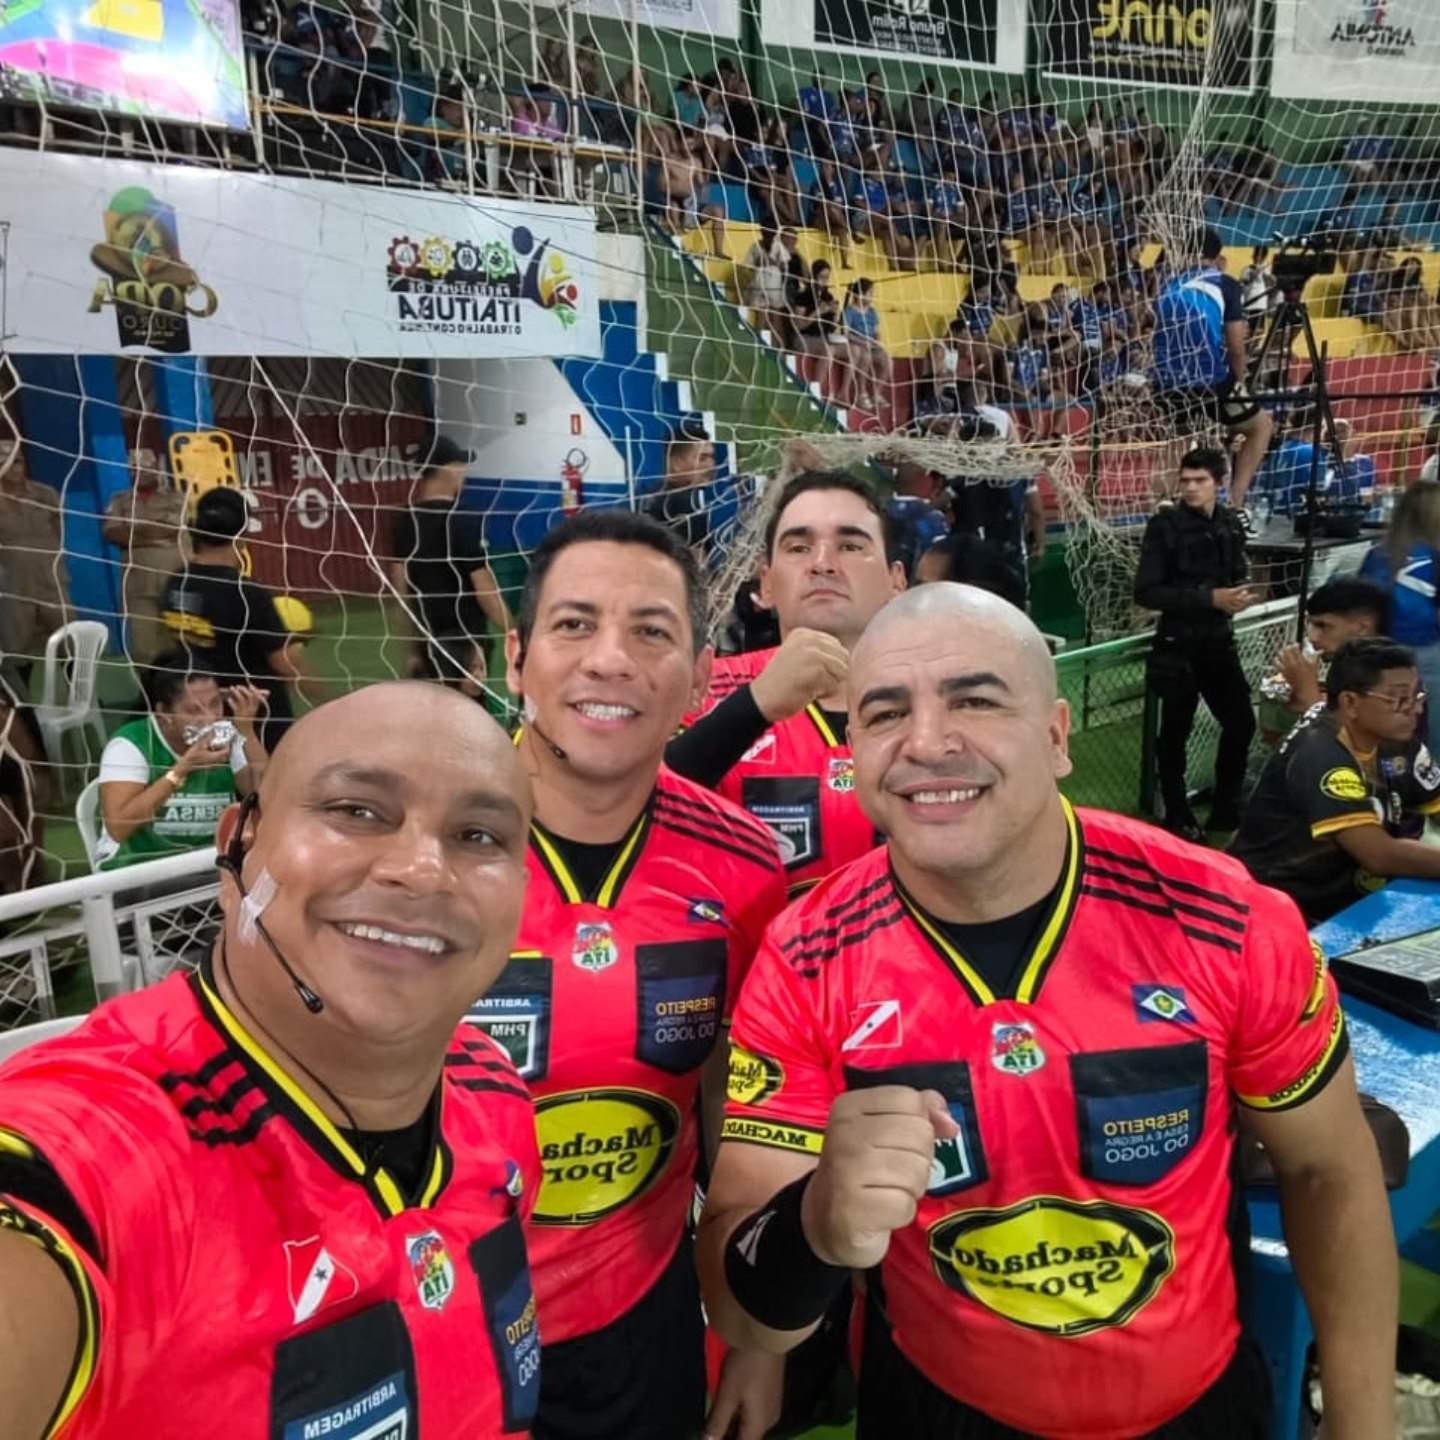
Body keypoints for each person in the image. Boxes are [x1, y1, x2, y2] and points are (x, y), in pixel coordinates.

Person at [696, 583, 1397, 1440]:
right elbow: (741, 1311)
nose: (926, 742)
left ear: (1058, 737)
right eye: (885, 713)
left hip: (1200, 1407)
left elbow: (1329, 1173)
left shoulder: (1228, 920)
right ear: (856, 751)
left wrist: (1362, 1422)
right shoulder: (806, 956)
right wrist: (812, 1223)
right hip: (933, 1409)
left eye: (975, 700)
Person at [0, 683, 546, 1439]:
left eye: (480, 835)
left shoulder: (495, 1094)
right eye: (357, 811)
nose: (423, 870)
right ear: (239, 844)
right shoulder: (111, 1147)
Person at [469, 509, 787, 1440]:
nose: (610, 660)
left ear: (700, 678)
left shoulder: (744, 865)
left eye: (651, 631)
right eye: (575, 624)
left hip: (641, 1326)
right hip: (440, 1332)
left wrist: (757, 1338)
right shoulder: (422, 849)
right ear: (516, 657)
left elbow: (739, 1104)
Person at [666, 470, 905, 897]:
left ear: (896, 582)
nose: (822, 563)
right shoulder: (703, 690)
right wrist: (753, 708)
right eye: (798, 547)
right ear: (767, 584)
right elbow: (630, 805)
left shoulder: (942, 697)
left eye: (851, 546)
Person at [1231, 637, 1440, 921]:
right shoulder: (1320, 755)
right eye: (1400, 699)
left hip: (1346, 901)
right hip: (1280, 911)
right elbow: (1378, 855)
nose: (1416, 709)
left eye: (1418, 696)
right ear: (1350, 702)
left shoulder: (1397, 741)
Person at [1134, 447, 1257, 840]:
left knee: (1241, 722)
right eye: (1185, 480)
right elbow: (1147, 591)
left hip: (1218, 641)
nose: (1190, 488)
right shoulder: (1165, 526)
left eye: (1200, 480)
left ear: (1218, 483)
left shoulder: (1230, 523)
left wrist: (1235, 597)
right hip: (1178, 645)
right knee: (1175, 732)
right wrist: (1210, 599)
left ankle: (1226, 807)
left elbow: (1236, 573)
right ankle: (1176, 812)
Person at [159, 487, 319, 754]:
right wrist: (326, 697)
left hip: (204, 710)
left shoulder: (176, 583)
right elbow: (285, 662)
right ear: (242, 535)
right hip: (256, 715)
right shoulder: (246, 593)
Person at [95, 654, 269, 870]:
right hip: (141, 866)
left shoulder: (226, 737)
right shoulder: (130, 745)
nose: (210, 718)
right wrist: (184, 768)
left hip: (209, 863)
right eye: (194, 710)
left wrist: (246, 731)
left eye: (215, 704)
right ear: (164, 713)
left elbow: (267, 796)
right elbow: (119, 828)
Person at [1152, 228, 1274, 520]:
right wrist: (1241, 381)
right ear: (1218, 256)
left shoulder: (1170, 286)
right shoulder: (1225, 284)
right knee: (1261, 427)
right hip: (1211, 379)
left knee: (1177, 442)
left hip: (1167, 382)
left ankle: (1160, 509)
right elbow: (1236, 346)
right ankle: (1235, 504)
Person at [389, 435, 509, 696]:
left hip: (427, 641)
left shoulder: (405, 521)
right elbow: (485, 588)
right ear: (447, 469)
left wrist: (412, 648)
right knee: (468, 714)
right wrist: (514, 631)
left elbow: (400, 590)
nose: (463, 472)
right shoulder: (463, 518)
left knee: (433, 712)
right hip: (467, 645)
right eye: (460, 465)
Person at [1360, 478, 1440, 752]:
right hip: (1427, 654)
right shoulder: (1435, 557)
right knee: (1430, 736)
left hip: (1379, 655)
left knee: (1384, 732)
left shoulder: (1376, 553)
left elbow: (1362, 604)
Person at [103, 448, 187, 666]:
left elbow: (171, 528)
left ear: (156, 468)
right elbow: (113, 533)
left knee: (183, 645)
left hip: (177, 582)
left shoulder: (177, 497)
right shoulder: (119, 500)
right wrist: (154, 539)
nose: (140, 473)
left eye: (146, 467)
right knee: (144, 649)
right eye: (134, 469)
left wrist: (134, 533)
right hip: (139, 586)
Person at [1263, 576, 1387, 723]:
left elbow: (1343, 735)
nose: (1312, 637)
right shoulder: (1346, 667)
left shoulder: (1389, 678)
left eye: (1323, 626)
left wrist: (1307, 691)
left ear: (1362, 628)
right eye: (1311, 625)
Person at [0, 433, 70, 674]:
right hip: (14, 585)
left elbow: (58, 529)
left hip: (52, 581)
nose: (12, 469)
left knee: (68, 641)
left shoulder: (46, 494)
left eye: (16, 462)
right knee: (16, 649)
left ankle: (81, 692)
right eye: (4, 464)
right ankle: (22, 696)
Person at [639, 418, 718, 559]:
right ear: (676, 462)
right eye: (702, 458)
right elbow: (697, 564)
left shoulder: (654, 495)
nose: (711, 466)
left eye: (712, 457)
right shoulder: (684, 503)